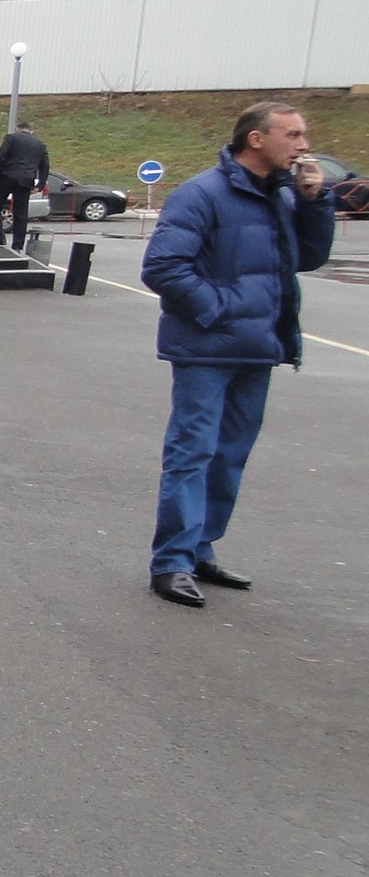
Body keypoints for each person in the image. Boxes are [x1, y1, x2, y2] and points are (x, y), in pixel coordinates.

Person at [140, 103, 334, 606]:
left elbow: (308, 258)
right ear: (256, 139)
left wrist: (314, 201)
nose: (303, 145)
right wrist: (219, 311)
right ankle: (171, 562)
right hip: (207, 348)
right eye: (293, 134)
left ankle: (200, 549)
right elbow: (162, 266)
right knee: (192, 453)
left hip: (258, 348)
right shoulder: (201, 193)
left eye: (303, 134)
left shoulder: (283, 194)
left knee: (229, 456)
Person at [0, 122, 48, 250]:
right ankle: (18, 244)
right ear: (30, 131)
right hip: (26, 180)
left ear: (17, 129)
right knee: (21, 213)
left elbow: (1, 154)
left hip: (6, 177)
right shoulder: (40, 145)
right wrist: (40, 184)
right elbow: (45, 166)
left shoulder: (11, 138)